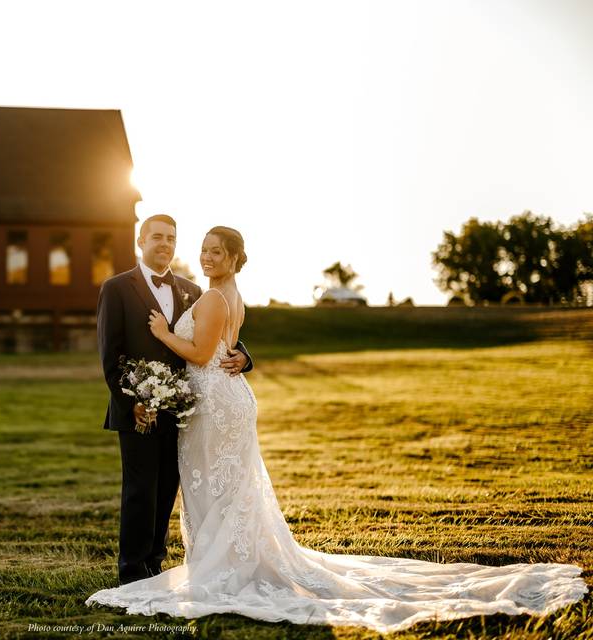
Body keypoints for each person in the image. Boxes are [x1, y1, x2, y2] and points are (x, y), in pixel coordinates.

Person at [87, 226, 587, 633]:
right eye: (197, 248)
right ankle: (169, 567)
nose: (197, 254)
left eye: (209, 249)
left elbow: (206, 349)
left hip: (211, 404)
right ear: (141, 242)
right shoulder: (139, 289)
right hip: (186, 404)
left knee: (209, 487)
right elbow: (133, 352)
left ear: (234, 259)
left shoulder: (201, 293)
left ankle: (212, 568)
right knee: (194, 488)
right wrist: (188, 372)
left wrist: (170, 337)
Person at [96, 214, 253, 586]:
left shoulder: (191, 290)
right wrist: (130, 401)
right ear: (141, 241)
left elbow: (213, 339)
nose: (165, 244)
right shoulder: (116, 288)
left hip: (182, 409)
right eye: (157, 238)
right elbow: (110, 353)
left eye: (171, 238)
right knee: (139, 491)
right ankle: (132, 572)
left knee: (168, 489)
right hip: (139, 408)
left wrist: (245, 356)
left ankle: (155, 563)